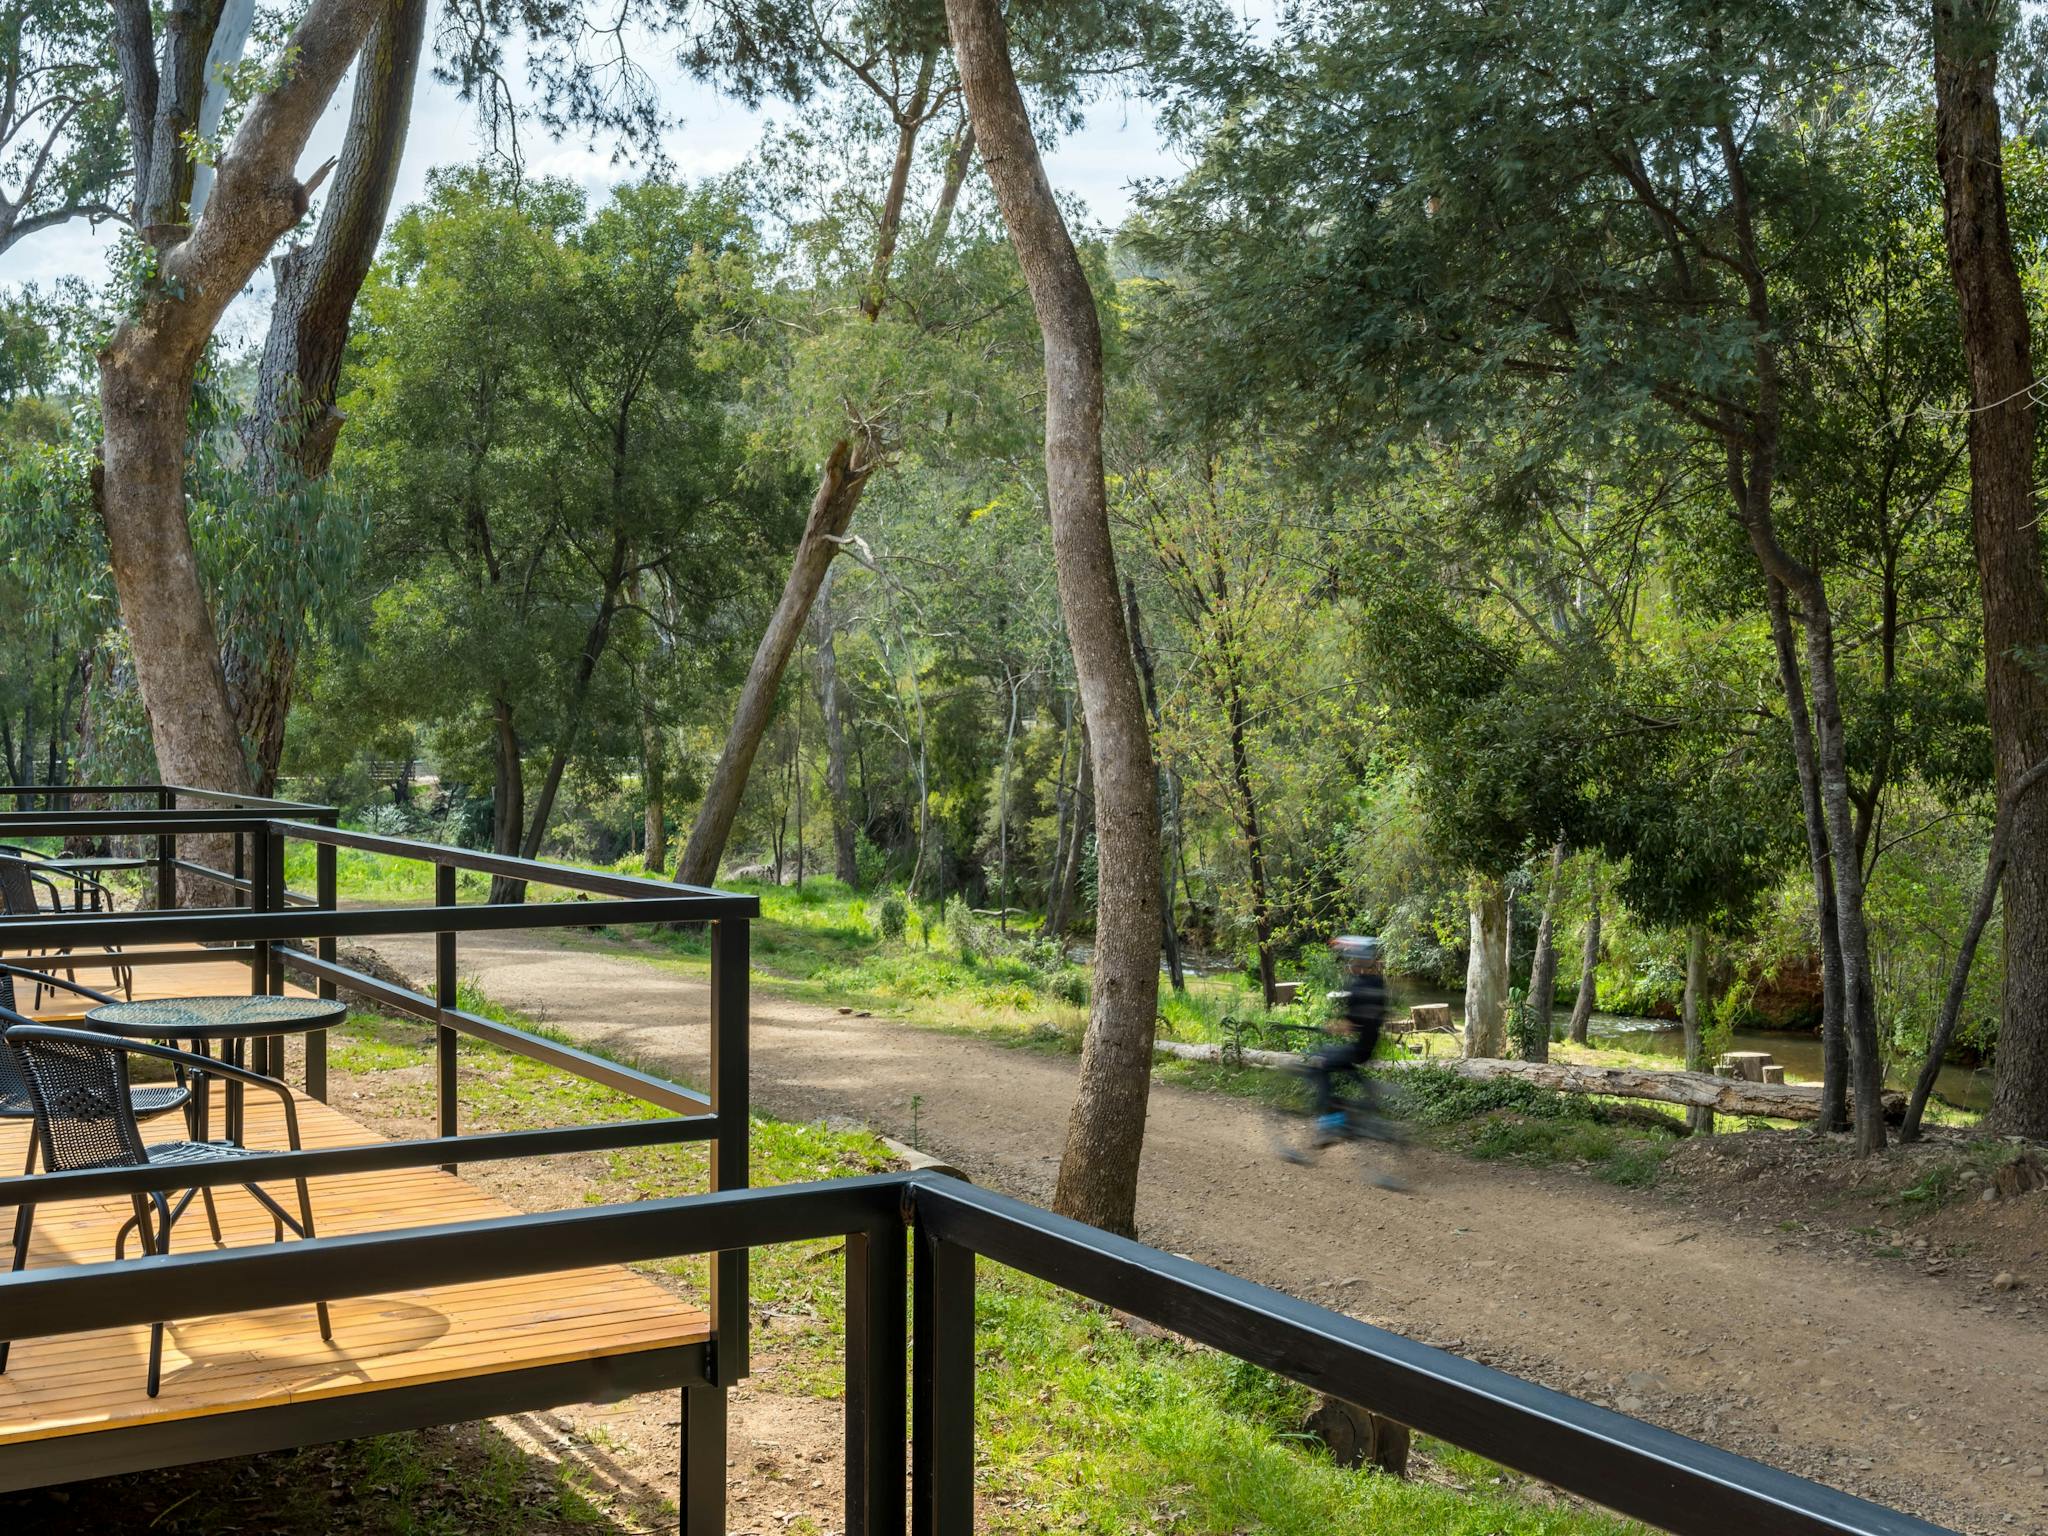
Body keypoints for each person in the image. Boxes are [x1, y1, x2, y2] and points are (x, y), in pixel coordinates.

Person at [1311, 935, 1387, 1142]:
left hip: (1357, 1048)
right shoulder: (1378, 983)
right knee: (1339, 1061)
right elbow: (1375, 1016)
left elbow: (1349, 1024)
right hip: (1370, 1046)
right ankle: (1351, 1110)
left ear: (1357, 960)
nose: (1349, 963)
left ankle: (1331, 1123)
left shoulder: (1356, 988)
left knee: (1322, 1063)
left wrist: (1330, 1027)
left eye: (1351, 959)